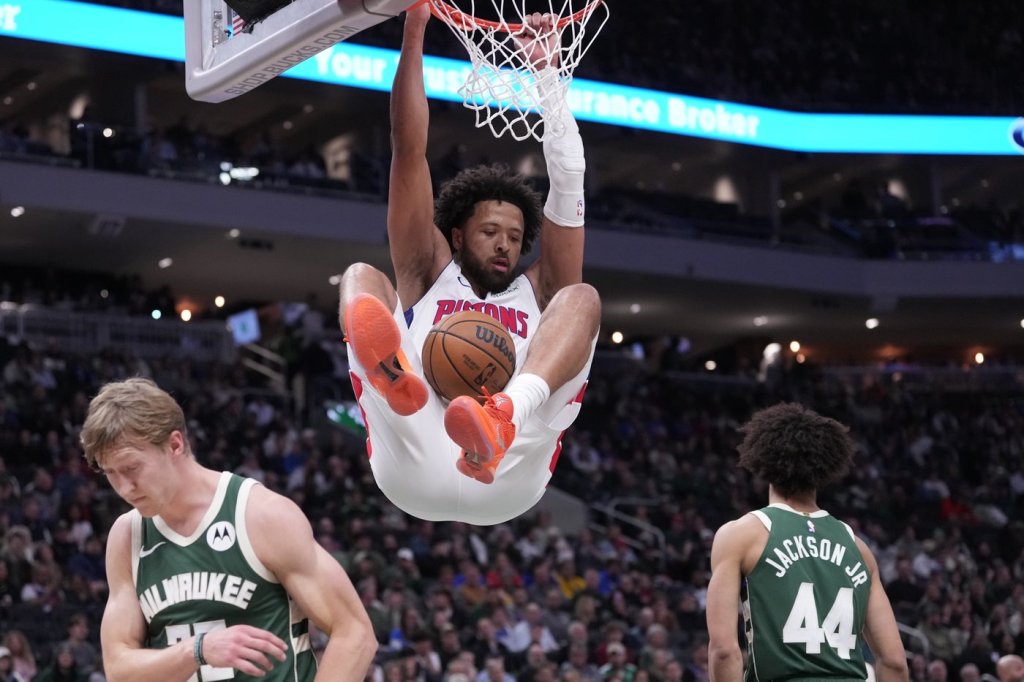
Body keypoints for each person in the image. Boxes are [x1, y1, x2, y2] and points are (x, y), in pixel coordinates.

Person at [337, 3, 600, 525]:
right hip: (417, 440)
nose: (505, 246)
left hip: (509, 465)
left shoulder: (538, 289)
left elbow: (570, 177)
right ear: (456, 235)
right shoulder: (427, 269)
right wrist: (414, 27)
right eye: (490, 232)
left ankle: (507, 411)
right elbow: (408, 149)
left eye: (515, 238)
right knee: (361, 278)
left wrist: (547, 75)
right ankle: (394, 377)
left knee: (581, 299)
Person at [79, 377, 378, 681]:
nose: (124, 488)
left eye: (131, 468)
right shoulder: (127, 536)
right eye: (110, 474)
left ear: (175, 445)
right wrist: (197, 650)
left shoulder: (260, 514)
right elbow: (118, 669)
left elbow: (354, 633)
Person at [705, 403, 909, 682]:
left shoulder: (741, 535)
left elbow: (724, 651)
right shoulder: (858, 548)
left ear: (764, 463)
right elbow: (895, 663)